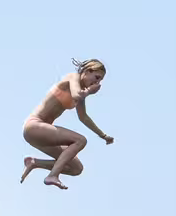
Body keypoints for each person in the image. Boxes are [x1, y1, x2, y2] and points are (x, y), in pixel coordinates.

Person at [20, 59, 113, 190]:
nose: (97, 83)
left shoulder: (82, 92)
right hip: (34, 126)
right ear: (87, 71)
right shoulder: (72, 78)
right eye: (96, 78)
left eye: (100, 81)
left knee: (76, 168)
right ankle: (52, 175)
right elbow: (76, 95)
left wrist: (103, 135)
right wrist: (88, 92)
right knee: (80, 140)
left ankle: (34, 163)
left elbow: (84, 117)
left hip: (42, 136)